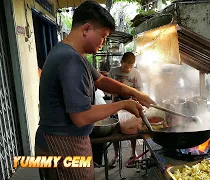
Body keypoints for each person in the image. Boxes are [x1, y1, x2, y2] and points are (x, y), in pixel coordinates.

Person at [35, 1, 155, 180]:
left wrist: (136, 93)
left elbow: (100, 80)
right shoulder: (70, 60)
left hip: (65, 140)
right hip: (62, 145)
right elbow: (81, 116)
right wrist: (123, 104)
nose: (104, 42)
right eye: (103, 36)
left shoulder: (73, 54)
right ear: (87, 29)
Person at [107, 52, 142, 167]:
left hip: (131, 107)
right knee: (114, 132)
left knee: (132, 130)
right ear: (121, 62)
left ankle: (133, 153)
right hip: (115, 106)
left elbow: (139, 91)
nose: (128, 69)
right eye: (126, 66)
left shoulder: (136, 73)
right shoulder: (113, 71)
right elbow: (107, 89)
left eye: (131, 67)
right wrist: (120, 93)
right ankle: (116, 155)